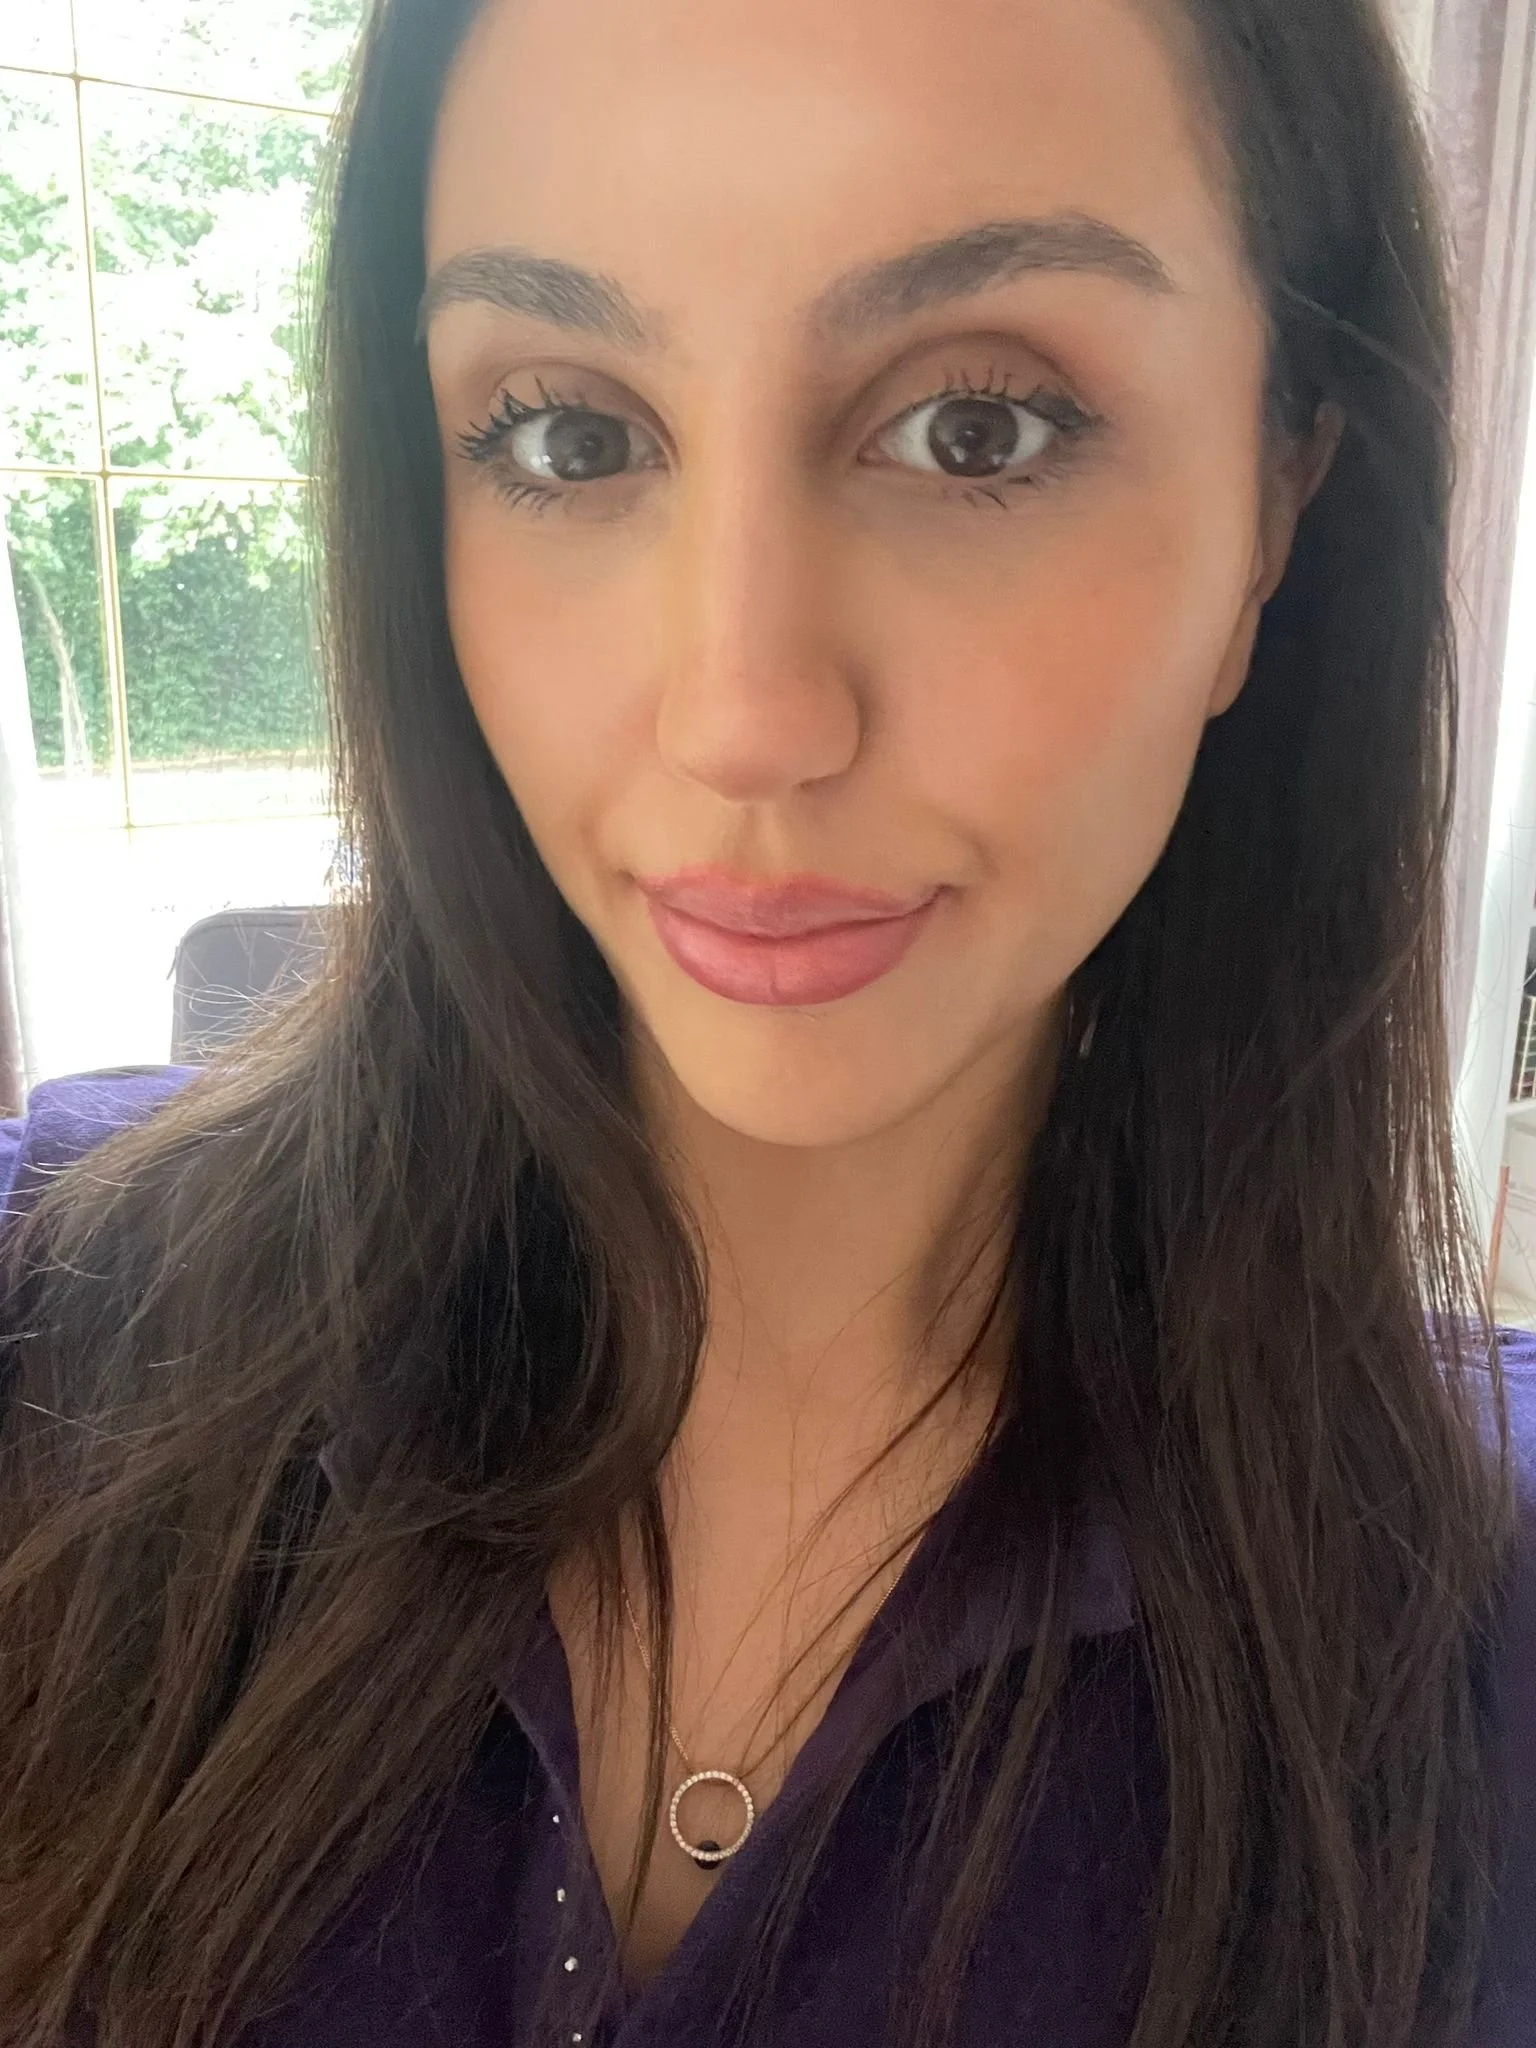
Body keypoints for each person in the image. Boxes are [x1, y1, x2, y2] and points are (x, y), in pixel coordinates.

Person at [2, 0, 1534, 2042]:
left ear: (1277, 504)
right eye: (568, 431)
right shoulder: (59, 1348)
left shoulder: (1472, 1634)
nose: (740, 712)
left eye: (976, 425)